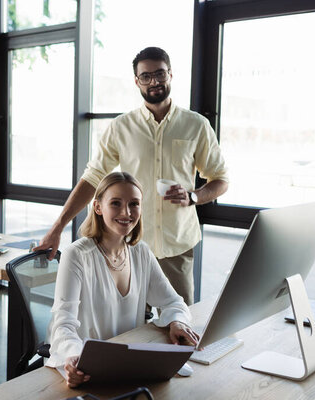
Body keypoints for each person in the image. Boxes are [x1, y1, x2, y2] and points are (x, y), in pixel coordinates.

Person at [34, 47, 229, 305]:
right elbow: (93, 178)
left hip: (177, 246)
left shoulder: (196, 125)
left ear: (170, 74)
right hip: (130, 245)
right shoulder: (121, 127)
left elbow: (221, 179)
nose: (154, 81)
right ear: (137, 81)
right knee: (129, 326)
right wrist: (57, 227)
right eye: (146, 76)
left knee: (181, 321)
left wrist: (194, 196)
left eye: (160, 74)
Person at [45, 172, 199, 388]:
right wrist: (75, 357)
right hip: (87, 369)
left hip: (129, 368)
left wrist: (177, 321)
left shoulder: (140, 252)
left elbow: (173, 302)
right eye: (115, 203)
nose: (126, 212)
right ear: (98, 207)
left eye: (134, 204)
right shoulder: (77, 255)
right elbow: (62, 326)